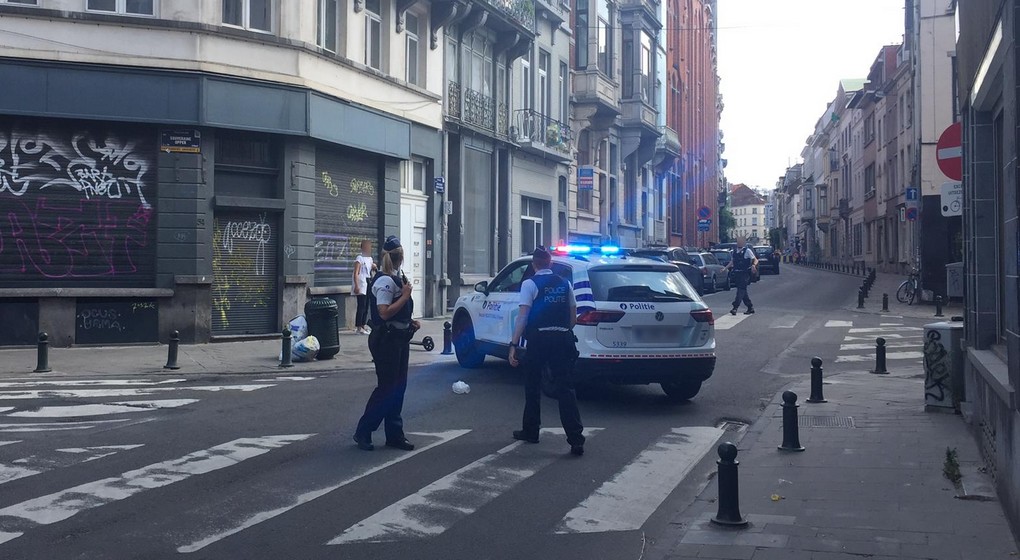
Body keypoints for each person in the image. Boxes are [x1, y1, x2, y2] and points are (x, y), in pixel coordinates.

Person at [508, 246, 585, 456]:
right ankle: (576, 439)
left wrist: (513, 345)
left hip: (539, 339)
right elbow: (573, 318)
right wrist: (564, 332)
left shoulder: (529, 283)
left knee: (532, 386)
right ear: (550, 263)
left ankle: (531, 430)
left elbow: (522, 317)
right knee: (566, 389)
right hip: (562, 339)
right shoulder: (565, 283)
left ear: (534, 265)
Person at [353, 235, 419, 451]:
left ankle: (394, 434)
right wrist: (404, 297)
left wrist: (409, 322)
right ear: (400, 257)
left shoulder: (397, 277)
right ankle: (364, 430)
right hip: (386, 342)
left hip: (398, 339)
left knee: (398, 387)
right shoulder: (384, 281)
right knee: (388, 387)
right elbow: (383, 313)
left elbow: (397, 313)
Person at [725, 235, 758, 315]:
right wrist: (725, 268)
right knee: (743, 291)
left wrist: (753, 265)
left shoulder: (747, 251)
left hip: (745, 273)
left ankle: (735, 307)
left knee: (741, 290)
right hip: (737, 273)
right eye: (738, 241)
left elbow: (755, 259)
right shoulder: (734, 251)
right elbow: (732, 261)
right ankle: (750, 307)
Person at [352, 239, 376, 334]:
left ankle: (363, 325)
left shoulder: (370, 259)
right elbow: (356, 272)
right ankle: (358, 326)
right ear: (362, 248)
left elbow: (371, 270)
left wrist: (374, 266)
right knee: (361, 305)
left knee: (366, 305)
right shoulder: (359, 258)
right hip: (361, 282)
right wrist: (356, 285)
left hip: (368, 281)